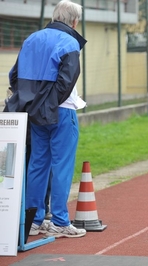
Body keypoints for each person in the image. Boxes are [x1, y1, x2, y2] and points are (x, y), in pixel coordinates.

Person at [4, 0, 87, 238]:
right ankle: (60, 220)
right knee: (61, 165)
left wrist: (33, 102)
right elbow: (67, 80)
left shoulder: (32, 38)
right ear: (74, 21)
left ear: (54, 16)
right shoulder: (70, 41)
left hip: (34, 112)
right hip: (61, 111)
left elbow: (15, 75)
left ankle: (34, 220)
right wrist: (49, 103)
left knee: (37, 164)